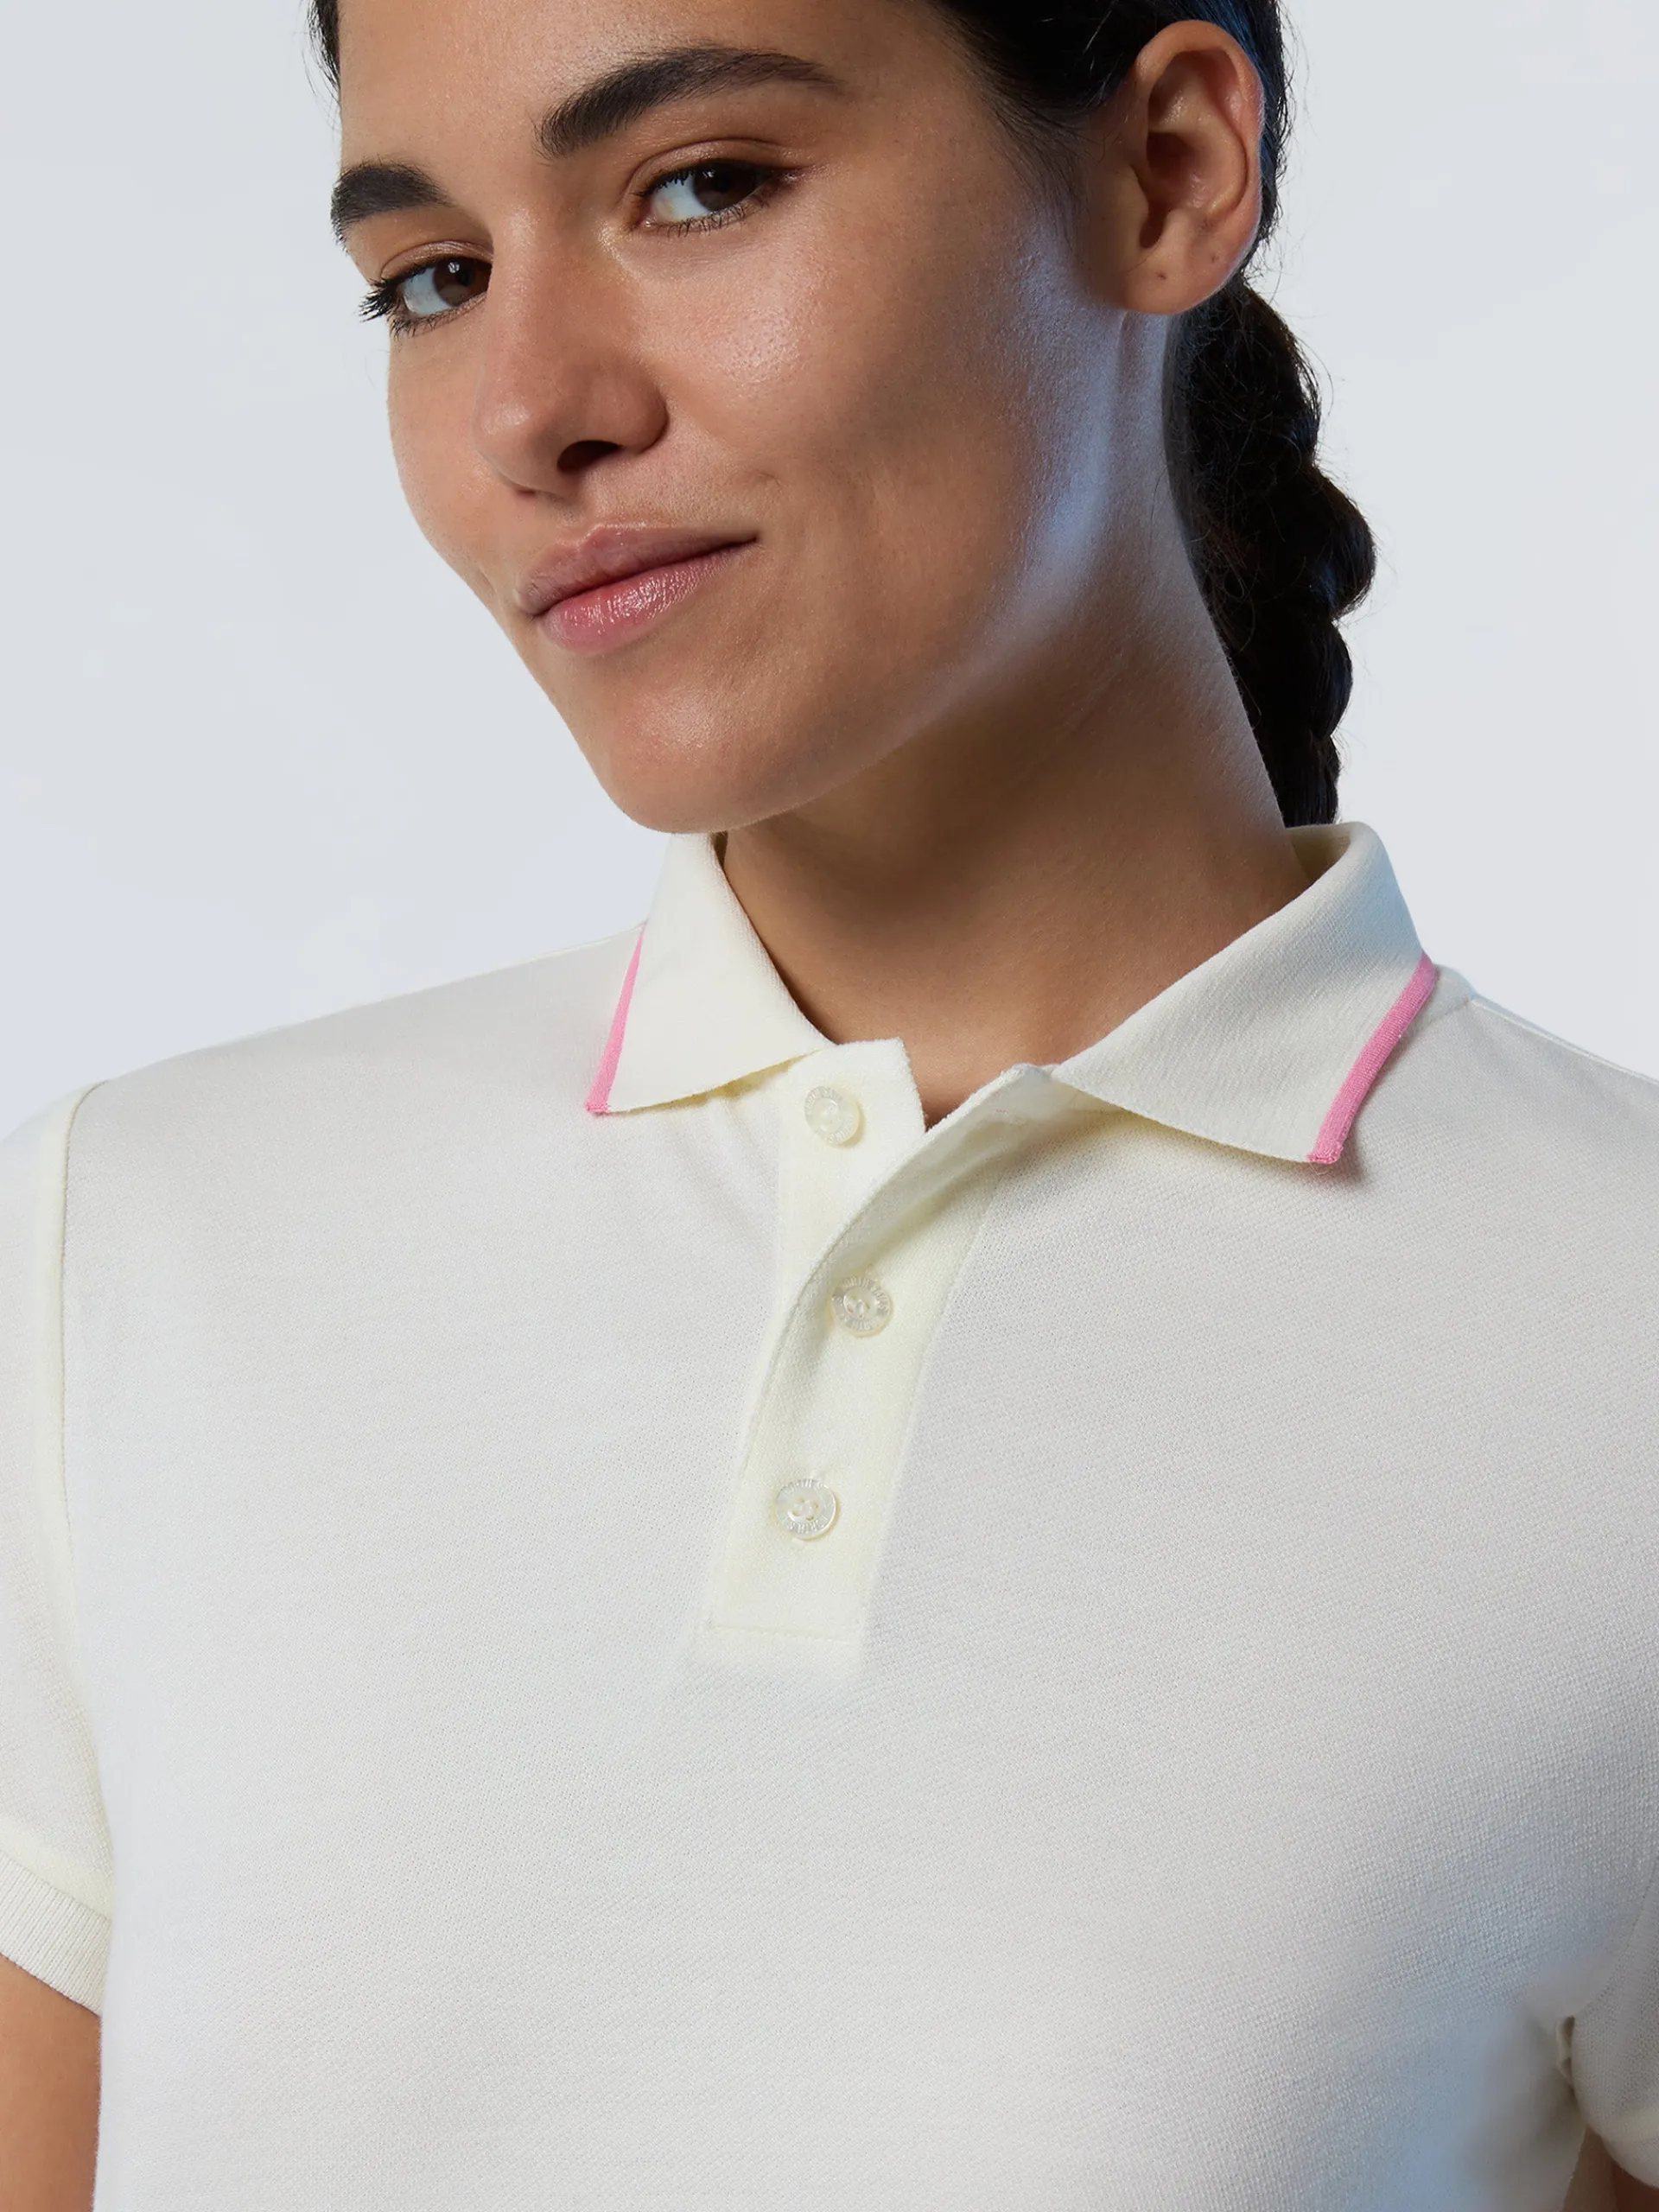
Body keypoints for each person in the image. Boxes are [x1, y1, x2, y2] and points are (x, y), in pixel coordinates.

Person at [1, 0, 1656, 2203]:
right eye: (434, 277)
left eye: (701, 186)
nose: (530, 409)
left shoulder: (1612, 1340)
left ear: (1168, 169)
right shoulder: (138, 1244)